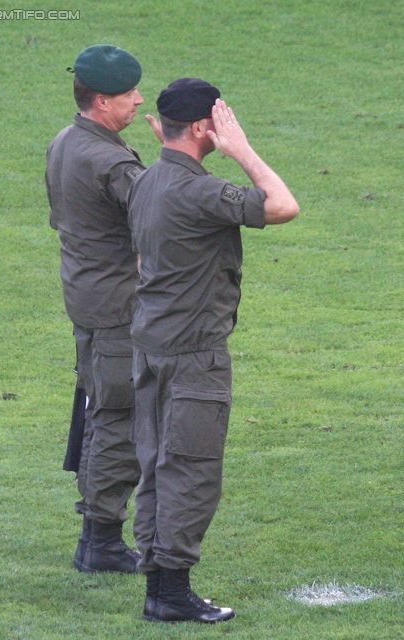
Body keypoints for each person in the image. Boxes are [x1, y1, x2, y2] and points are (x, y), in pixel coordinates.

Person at [127, 78, 299, 622]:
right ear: (204, 127)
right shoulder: (198, 191)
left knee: (157, 464)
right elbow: (282, 206)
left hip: (150, 345)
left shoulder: (147, 181)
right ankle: (171, 595)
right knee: (191, 471)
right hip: (194, 355)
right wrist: (242, 151)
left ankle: (160, 586)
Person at [45, 44, 146, 573]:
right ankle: (102, 541)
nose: (139, 101)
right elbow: (159, 220)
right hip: (119, 308)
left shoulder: (65, 141)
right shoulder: (110, 158)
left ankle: (96, 540)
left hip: (85, 297)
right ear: (103, 100)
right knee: (119, 418)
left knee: (101, 409)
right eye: (130, 94)